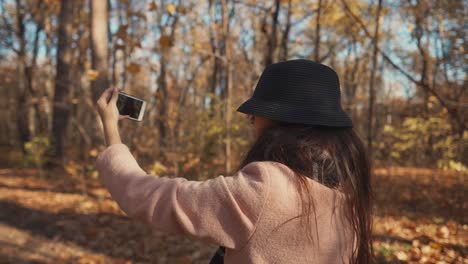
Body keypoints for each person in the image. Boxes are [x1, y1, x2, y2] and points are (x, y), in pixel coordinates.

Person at [96, 59, 373, 264]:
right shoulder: (348, 194)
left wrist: (112, 135)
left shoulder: (267, 189)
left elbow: (153, 198)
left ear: (281, 121)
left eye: (258, 111)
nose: (252, 119)